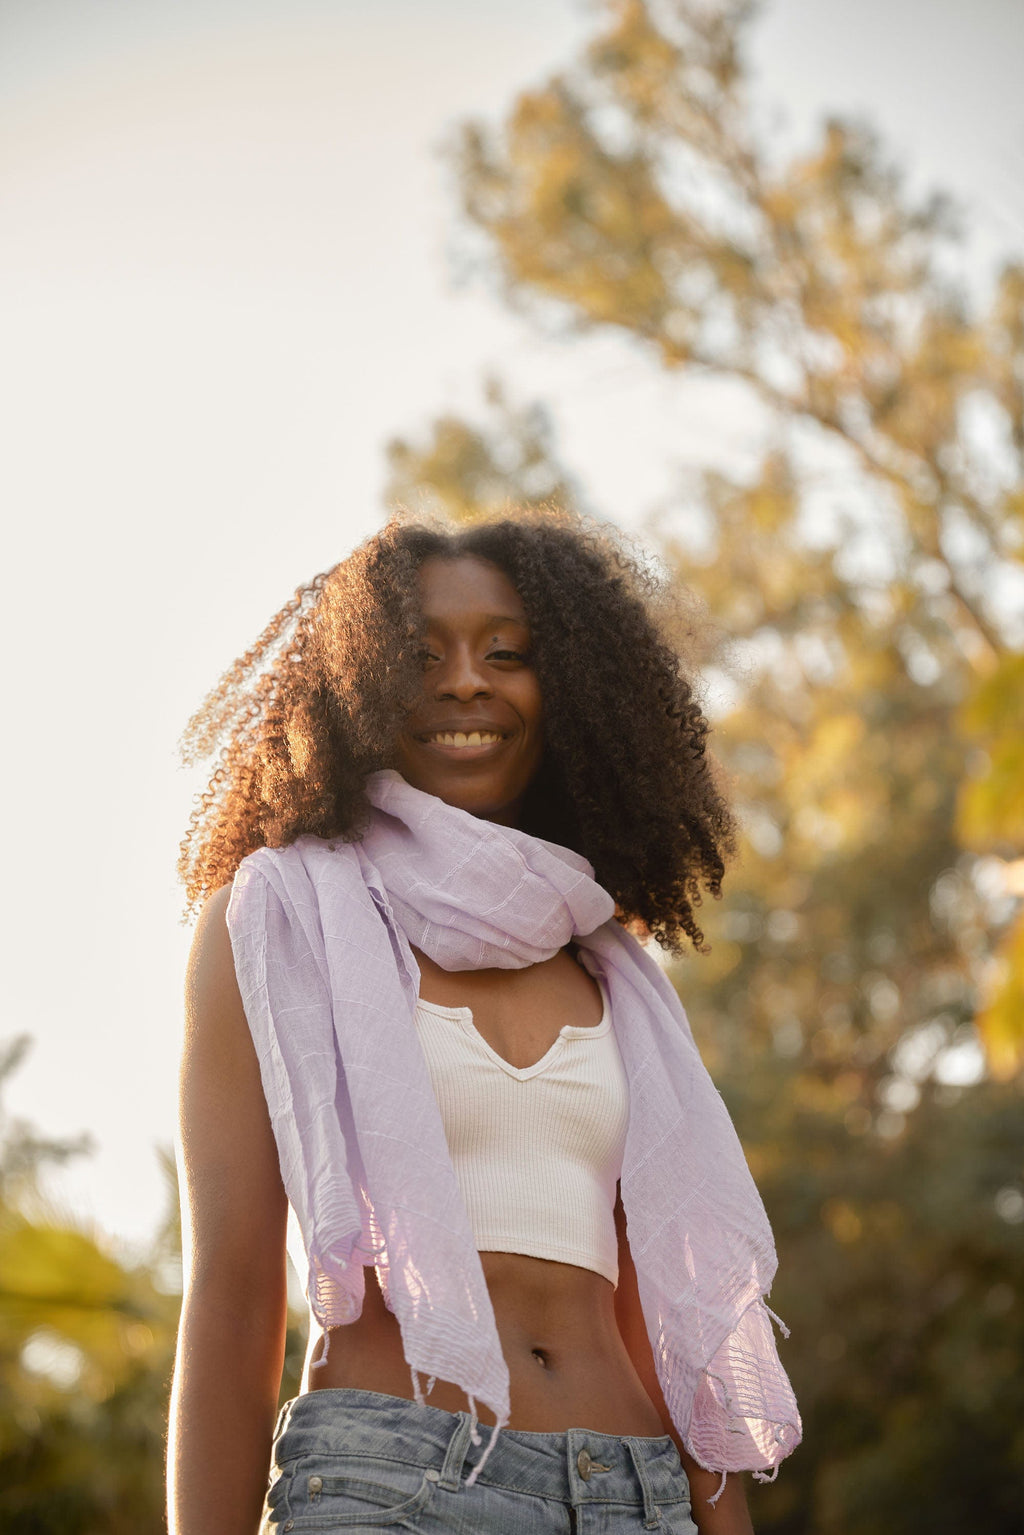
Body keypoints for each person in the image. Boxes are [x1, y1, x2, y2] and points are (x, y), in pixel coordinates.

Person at [167, 510, 800, 1535]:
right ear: (360, 685)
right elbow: (234, 1298)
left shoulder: (613, 962)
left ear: (573, 694)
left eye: (507, 653)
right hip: (393, 1482)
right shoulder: (283, 914)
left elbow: (668, 1326)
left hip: (629, 1492)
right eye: (418, 655)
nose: (466, 680)